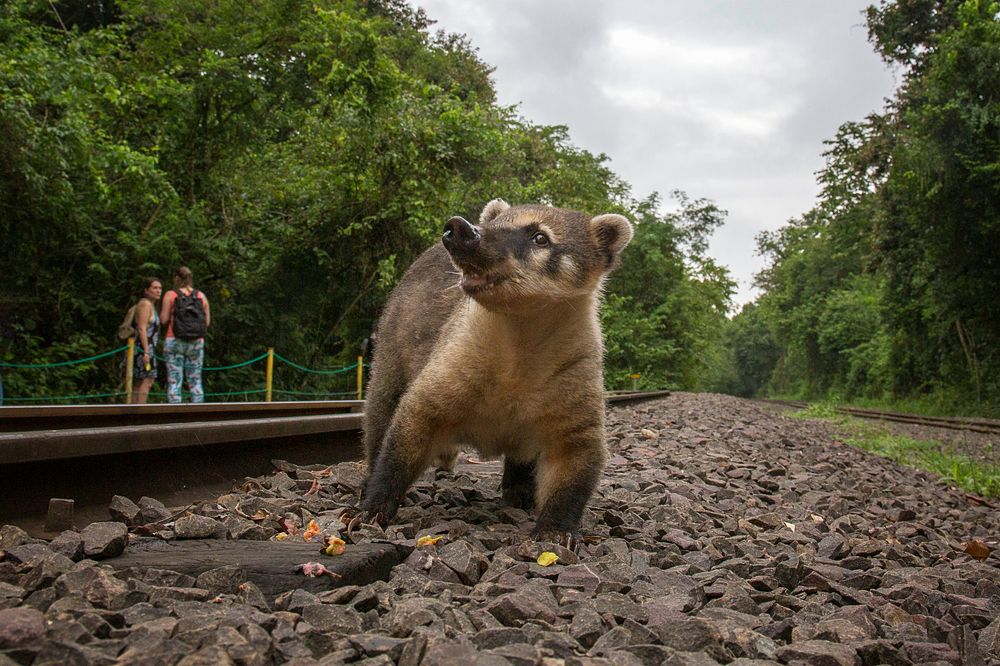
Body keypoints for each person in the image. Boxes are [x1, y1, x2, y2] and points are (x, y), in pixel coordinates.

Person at [160, 266, 211, 403]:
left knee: (174, 378)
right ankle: (198, 409)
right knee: (195, 378)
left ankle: (175, 409)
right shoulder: (201, 296)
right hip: (196, 342)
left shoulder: (170, 295)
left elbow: (164, 320)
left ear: (177, 278)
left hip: (174, 339)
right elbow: (206, 322)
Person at [130, 277, 163, 404]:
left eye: (160, 288)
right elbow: (142, 328)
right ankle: (139, 410)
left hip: (148, 347)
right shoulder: (145, 304)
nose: (158, 291)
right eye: (154, 288)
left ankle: (134, 410)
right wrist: (146, 351)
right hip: (144, 347)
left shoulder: (152, 306)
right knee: (147, 380)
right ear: (146, 290)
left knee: (142, 380)